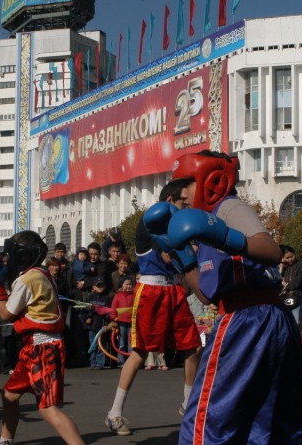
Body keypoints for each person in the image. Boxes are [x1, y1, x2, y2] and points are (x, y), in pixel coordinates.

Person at [155, 150, 302, 444]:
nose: (183, 196)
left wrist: (226, 237)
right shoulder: (208, 227)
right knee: (267, 421)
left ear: (211, 181)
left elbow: (271, 251)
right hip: (262, 318)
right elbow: (206, 295)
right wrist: (182, 256)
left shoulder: (228, 208)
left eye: (186, 185)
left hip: (248, 318)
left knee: (207, 418)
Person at [105, 179, 202, 436]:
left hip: (174, 290)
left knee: (193, 347)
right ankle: (114, 413)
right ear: (169, 202)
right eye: (183, 201)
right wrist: (190, 246)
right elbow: (168, 256)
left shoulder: (179, 223)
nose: (187, 205)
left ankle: (188, 405)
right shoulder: (152, 222)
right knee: (139, 352)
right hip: (151, 292)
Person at [0, 231, 84, 445]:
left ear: (23, 255)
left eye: (12, 255)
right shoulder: (43, 274)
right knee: (9, 396)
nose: (9, 260)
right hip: (35, 347)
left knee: (48, 408)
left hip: (42, 347)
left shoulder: (27, 279)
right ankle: (5, 442)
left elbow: (6, 314)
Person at [82, 277, 112, 370]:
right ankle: (93, 362)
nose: (100, 287)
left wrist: (107, 323)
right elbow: (83, 310)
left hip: (102, 325)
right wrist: (87, 317)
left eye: (101, 285)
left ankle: (100, 363)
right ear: (94, 287)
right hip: (92, 326)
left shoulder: (107, 299)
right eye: (98, 286)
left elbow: (110, 312)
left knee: (101, 345)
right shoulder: (89, 298)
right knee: (93, 344)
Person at [108, 276, 135, 367]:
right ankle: (121, 362)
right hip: (121, 323)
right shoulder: (118, 296)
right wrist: (113, 320)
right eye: (126, 284)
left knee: (131, 344)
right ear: (122, 285)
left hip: (131, 323)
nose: (128, 286)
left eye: (130, 284)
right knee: (122, 343)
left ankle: (131, 363)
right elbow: (113, 309)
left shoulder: (134, 295)